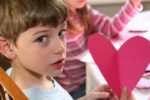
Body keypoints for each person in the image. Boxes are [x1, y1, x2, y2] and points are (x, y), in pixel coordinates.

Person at [0, 0, 135, 100]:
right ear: (7, 47)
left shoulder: (26, 75)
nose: (61, 48)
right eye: (41, 38)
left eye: (62, 33)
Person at [54, 0, 143, 99]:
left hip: (88, 80)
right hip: (73, 91)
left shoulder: (84, 10)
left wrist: (133, 3)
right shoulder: (55, 22)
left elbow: (110, 28)